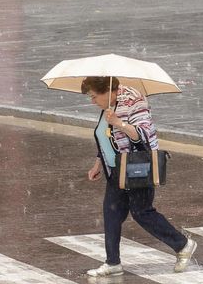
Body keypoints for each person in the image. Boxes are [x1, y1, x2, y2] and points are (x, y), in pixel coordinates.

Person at [81, 76, 196, 277]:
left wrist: (119, 123)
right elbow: (105, 136)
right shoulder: (109, 105)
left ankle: (183, 245)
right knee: (112, 214)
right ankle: (113, 262)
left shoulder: (134, 101)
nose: (92, 102)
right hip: (115, 169)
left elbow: (143, 134)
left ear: (108, 91)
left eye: (93, 96)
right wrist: (99, 162)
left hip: (137, 168)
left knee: (142, 212)